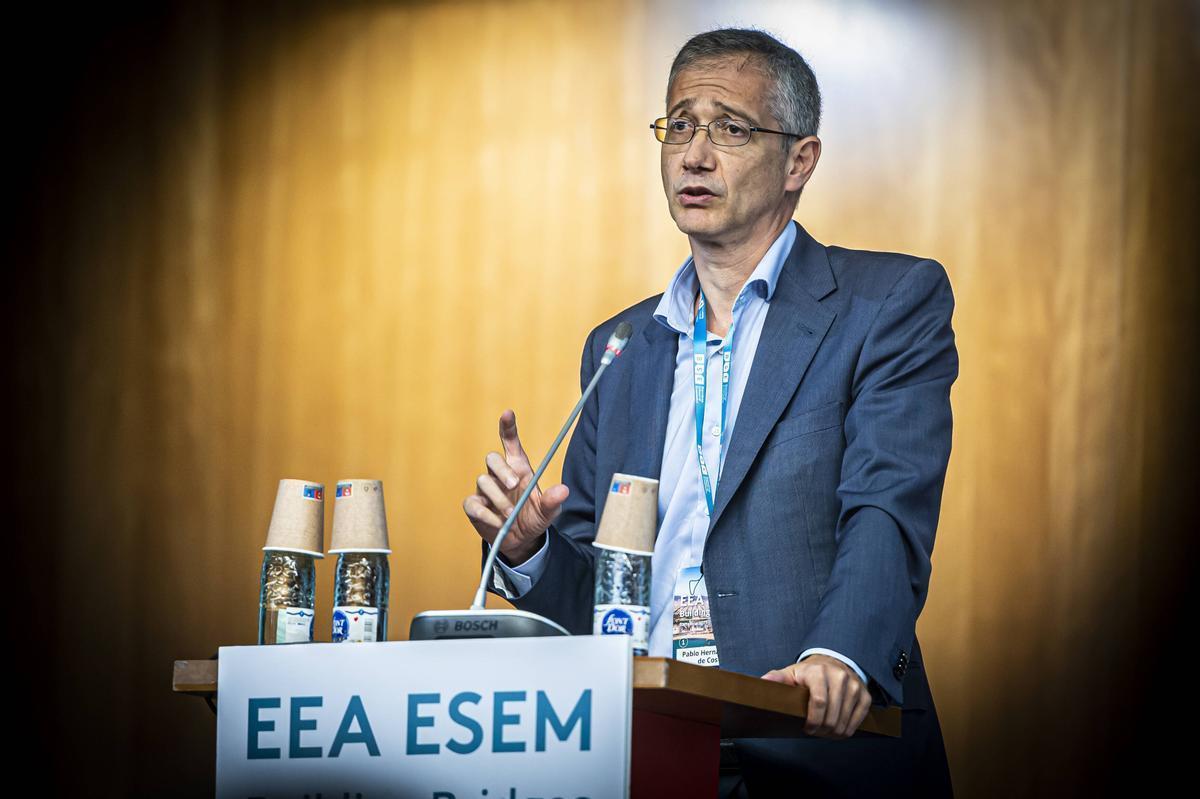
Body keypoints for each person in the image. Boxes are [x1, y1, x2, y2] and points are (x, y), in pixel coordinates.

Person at [463, 28, 956, 797]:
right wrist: (529, 549)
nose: (694, 154)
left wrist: (842, 656)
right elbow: (601, 598)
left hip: (812, 744)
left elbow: (886, 510)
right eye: (679, 125)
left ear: (800, 160)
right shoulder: (620, 348)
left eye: (730, 128)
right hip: (644, 754)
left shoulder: (885, 304)